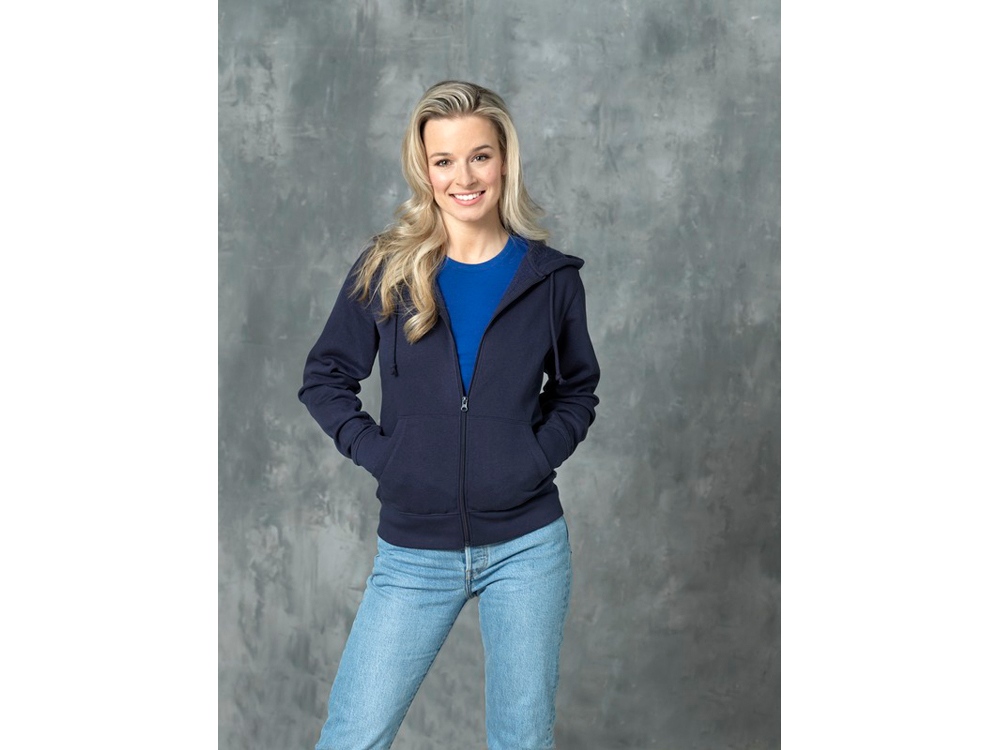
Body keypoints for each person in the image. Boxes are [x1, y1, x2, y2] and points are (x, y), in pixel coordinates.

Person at [299, 80, 600, 750]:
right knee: (352, 736)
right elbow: (324, 379)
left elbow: (577, 389)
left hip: (526, 547)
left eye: (479, 156)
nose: (463, 178)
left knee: (521, 741)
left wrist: (531, 457)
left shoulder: (551, 279)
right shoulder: (386, 269)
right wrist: (387, 456)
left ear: (504, 161)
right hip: (414, 551)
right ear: (425, 170)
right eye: (444, 161)